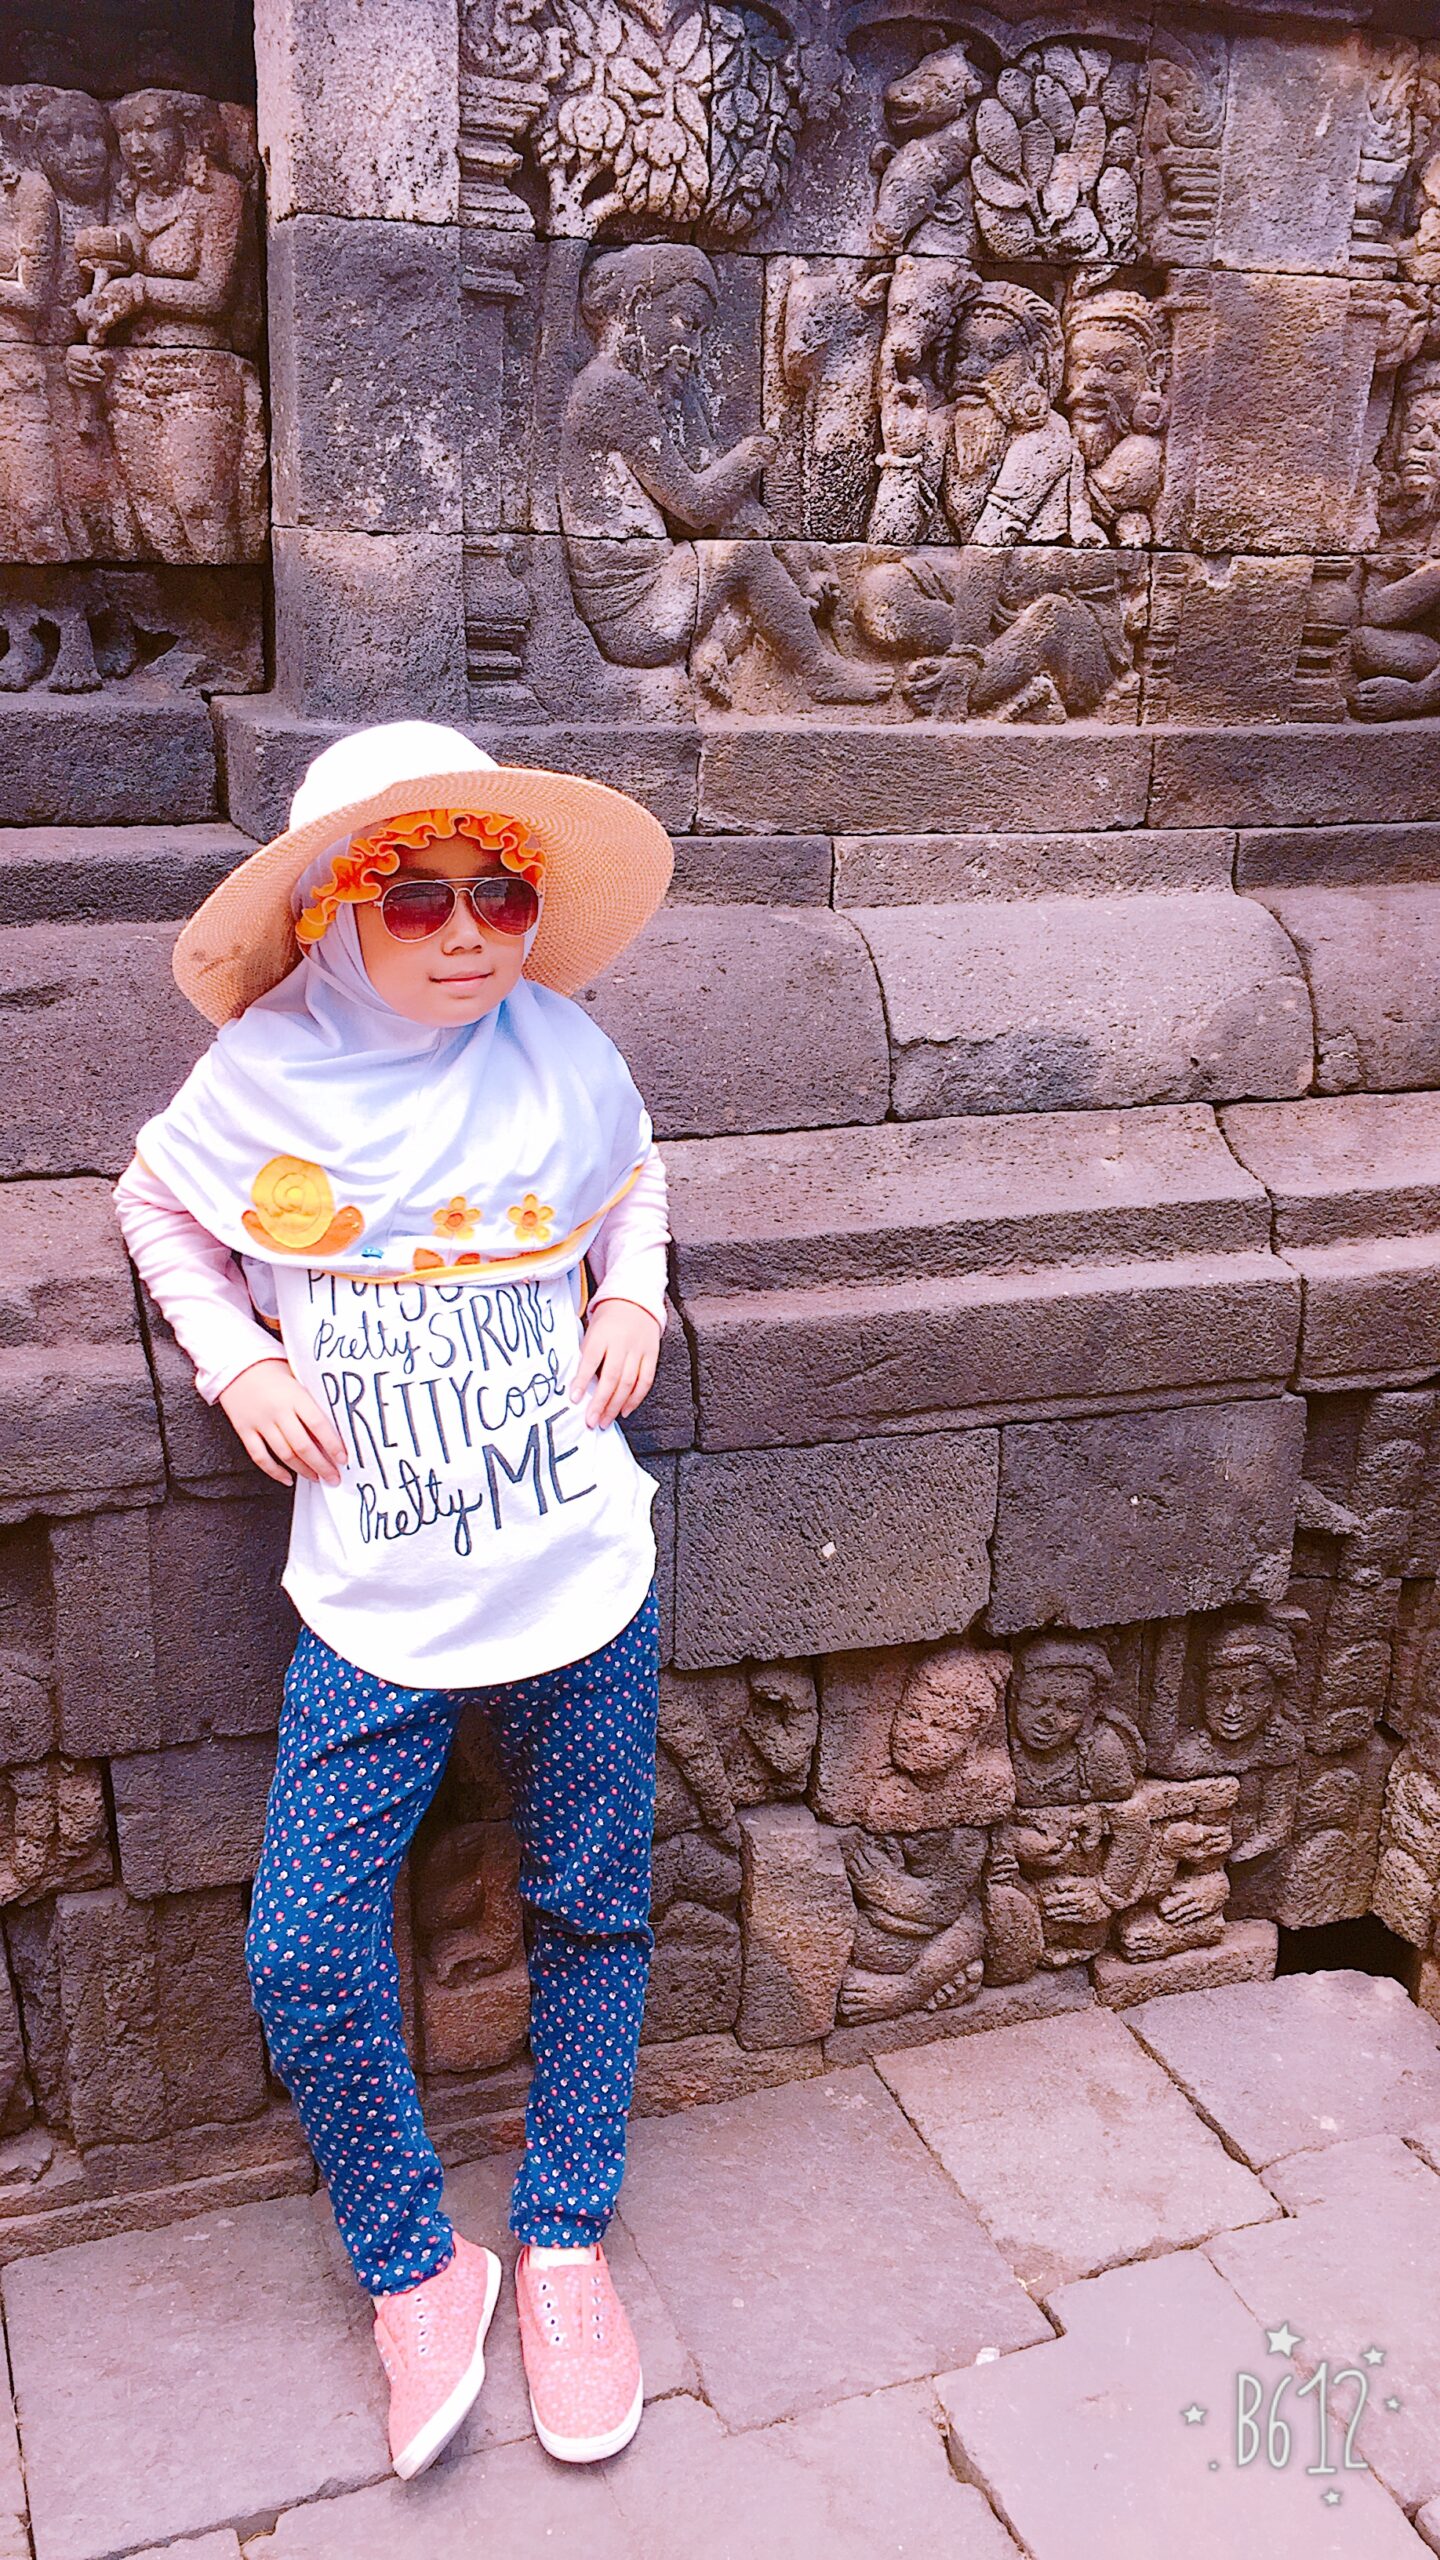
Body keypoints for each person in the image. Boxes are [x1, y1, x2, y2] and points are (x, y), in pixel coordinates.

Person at [113, 719, 675, 2482]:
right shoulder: (263, 1078)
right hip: (377, 1599)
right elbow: (156, 1202)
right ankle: (418, 2269)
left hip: (579, 1568)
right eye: (414, 897)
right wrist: (232, 1354)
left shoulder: (561, 1050)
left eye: (498, 894)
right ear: (333, 912)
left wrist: (632, 1296)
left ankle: (566, 2238)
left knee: (594, 1898)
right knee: (303, 1940)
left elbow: (632, 1170)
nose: (465, 933)